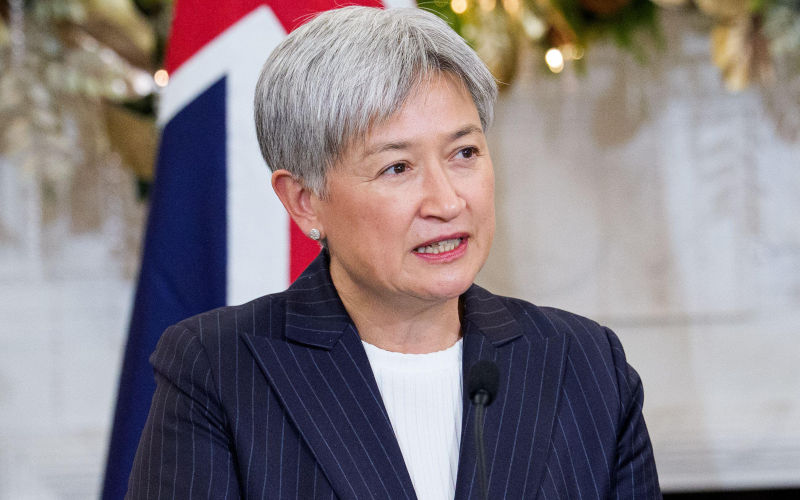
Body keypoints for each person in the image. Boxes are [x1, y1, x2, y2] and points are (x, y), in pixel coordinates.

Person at [127, 6, 661, 499]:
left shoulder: (585, 363)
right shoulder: (218, 371)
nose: (447, 201)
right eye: (397, 167)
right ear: (305, 201)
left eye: (464, 153)